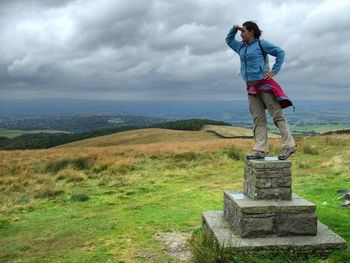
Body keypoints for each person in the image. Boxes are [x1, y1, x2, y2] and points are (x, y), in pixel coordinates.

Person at [225, 21, 297, 160]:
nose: (241, 34)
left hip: (264, 85)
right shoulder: (241, 47)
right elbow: (228, 40)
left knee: (277, 116)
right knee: (258, 118)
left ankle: (289, 145)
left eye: (244, 31)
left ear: (252, 32)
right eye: (241, 31)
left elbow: (280, 52)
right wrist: (234, 28)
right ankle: (260, 149)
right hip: (251, 88)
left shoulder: (261, 44)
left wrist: (274, 71)